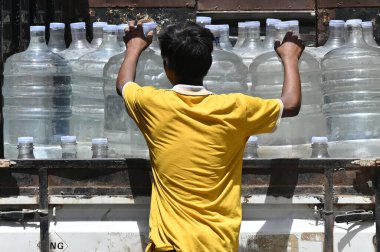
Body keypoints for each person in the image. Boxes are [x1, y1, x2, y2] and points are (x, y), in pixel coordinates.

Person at [116, 20, 304, 252]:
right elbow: (291, 104)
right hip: (218, 245)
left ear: (167, 67)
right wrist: (290, 57)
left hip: (169, 247)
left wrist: (134, 46)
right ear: (209, 63)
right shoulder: (236, 109)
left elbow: (124, 84)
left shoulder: (153, 104)